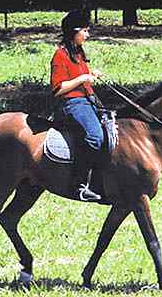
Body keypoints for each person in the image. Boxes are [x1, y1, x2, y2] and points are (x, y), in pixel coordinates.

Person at [50, 10, 104, 202]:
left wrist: (91, 75)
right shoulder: (60, 55)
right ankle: (78, 185)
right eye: (85, 31)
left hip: (88, 100)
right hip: (70, 103)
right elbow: (58, 89)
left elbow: (82, 78)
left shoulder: (79, 53)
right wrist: (82, 78)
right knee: (95, 137)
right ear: (74, 31)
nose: (87, 35)